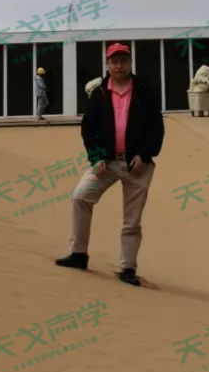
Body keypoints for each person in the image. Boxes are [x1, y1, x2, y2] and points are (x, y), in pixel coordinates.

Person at [56, 42, 165, 287]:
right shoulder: (99, 93)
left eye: (123, 60)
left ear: (130, 63)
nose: (118, 65)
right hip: (106, 163)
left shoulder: (145, 91)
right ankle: (78, 254)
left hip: (137, 166)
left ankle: (127, 268)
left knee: (132, 220)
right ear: (107, 65)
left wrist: (144, 155)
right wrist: (95, 157)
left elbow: (156, 128)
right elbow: (88, 129)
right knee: (80, 197)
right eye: (114, 61)